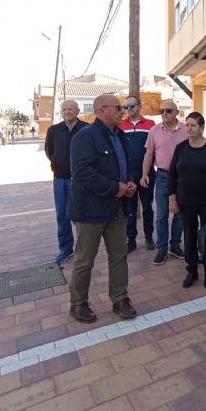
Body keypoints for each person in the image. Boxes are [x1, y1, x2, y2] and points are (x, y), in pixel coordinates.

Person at [67, 94, 138, 323]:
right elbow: (82, 173)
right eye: (118, 107)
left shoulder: (121, 136)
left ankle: (120, 298)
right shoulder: (84, 136)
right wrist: (113, 187)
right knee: (85, 259)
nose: (123, 110)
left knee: (119, 255)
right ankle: (78, 303)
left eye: (124, 107)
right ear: (101, 111)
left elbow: (126, 165)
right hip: (90, 210)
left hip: (116, 207)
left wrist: (130, 182)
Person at [169, 112, 206, 289]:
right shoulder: (181, 148)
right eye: (188, 125)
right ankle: (192, 270)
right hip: (186, 201)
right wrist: (172, 199)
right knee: (190, 236)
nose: (189, 129)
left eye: (193, 125)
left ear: (202, 128)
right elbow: (172, 175)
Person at [140, 101, 187, 265]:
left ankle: (175, 245)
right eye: (162, 110)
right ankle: (162, 248)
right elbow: (149, 153)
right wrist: (144, 174)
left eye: (168, 110)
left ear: (177, 112)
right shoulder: (154, 130)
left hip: (182, 178)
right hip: (162, 176)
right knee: (161, 215)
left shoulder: (186, 129)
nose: (164, 113)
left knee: (179, 213)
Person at [45, 100, 89, 263]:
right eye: (65, 109)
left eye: (71, 109)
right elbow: (49, 152)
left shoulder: (87, 129)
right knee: (62, 215)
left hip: (82, 181)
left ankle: (84, 249)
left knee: (82, 216)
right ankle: (65, 249)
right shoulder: (54, 130)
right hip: (60, 179)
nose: (68, 111)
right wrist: (58, 162)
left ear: (78, 111)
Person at [118, 95, 156, 252]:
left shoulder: (151, 124)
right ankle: (131, 240)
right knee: (130, 208)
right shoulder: (120, 125)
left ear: (140, 106)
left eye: (132, 105)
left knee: (147, 207)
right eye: (126, 107)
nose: (129, 109)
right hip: (128, 174)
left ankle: (148, 238)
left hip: (147, 173)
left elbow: (153, 148)